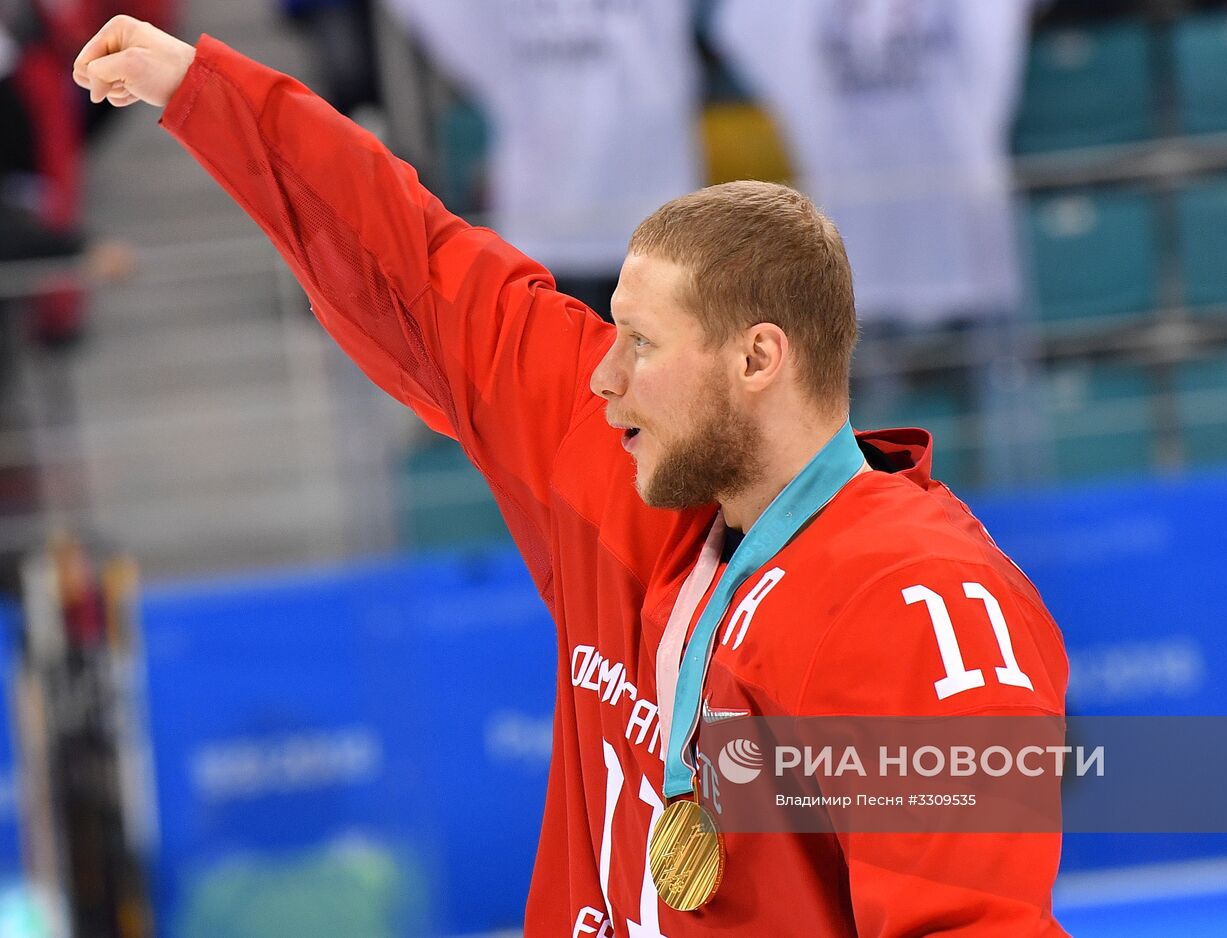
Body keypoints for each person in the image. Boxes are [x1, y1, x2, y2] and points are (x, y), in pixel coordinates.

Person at [73, 15, 1070, 936]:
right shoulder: (627, 468)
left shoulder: (913, 599)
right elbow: (421, 271)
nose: (603, 373)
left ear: (756, 359)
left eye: (638, 340)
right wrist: (206, 90)